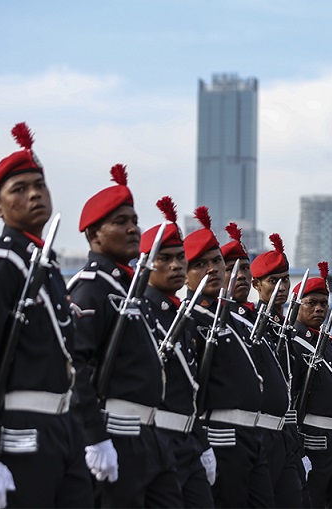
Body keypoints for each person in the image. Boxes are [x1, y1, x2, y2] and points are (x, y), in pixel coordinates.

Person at [0, 123, 102, 508]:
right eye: (19, 189)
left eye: (39, 184)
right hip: (20, 432)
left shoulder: (46, 269)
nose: (35, 193)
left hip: (65, 430)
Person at [69, 163, 182, 507]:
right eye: (120, 222)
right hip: (115, 433)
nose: (133, 229)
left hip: (151, 436)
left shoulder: (131, 291)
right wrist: (94, 437)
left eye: (134, 221)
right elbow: (76, 367)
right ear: (94, 234)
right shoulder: (91, 289)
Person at [184, 214, 273, 508]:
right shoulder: (188, 320)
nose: (212, 270)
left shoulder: (237, 320)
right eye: (200, 265)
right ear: (185, 275)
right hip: (220, 435)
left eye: (217, 262)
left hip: (253, 434)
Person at [142, 197, 215, 508]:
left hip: (188, 440)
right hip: (156, 438)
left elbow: (189, 391)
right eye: (164, 258)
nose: (175, 265)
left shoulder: (179, 317)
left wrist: (201, 442)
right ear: (145, 263)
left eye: (179, 258)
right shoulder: (139, 312)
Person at [289, 261, 332, 508]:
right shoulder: (293, 341)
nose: (318, 309)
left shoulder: (325, 343)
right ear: (297, 306)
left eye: (323, 303)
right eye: (311, 303)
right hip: (312, 439)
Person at [249, 233, 306, 508]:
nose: (282, 287)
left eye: (285, 279)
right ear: (256, 284)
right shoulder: (252, 324)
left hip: (287, 432)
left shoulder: (285, 328)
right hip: (261, 432)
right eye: (273, 281)